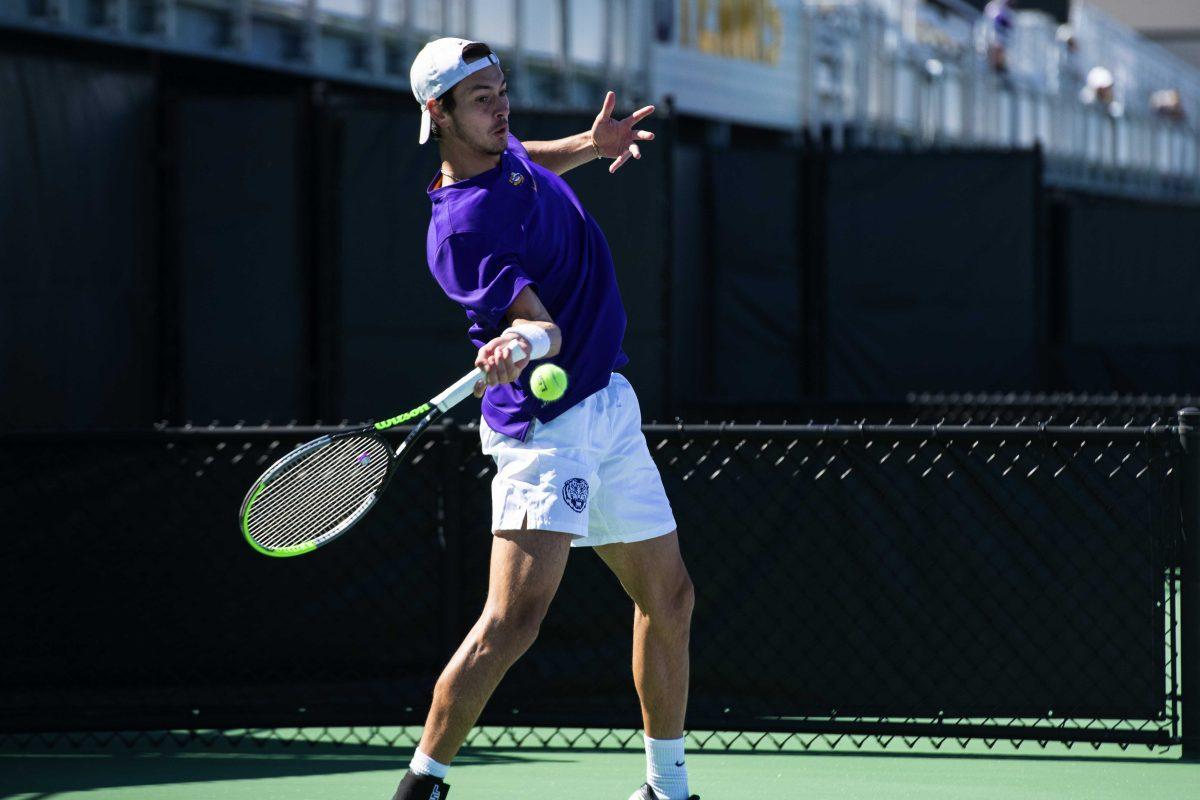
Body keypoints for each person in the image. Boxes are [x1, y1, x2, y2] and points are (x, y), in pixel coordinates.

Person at [390, 38, 698, 800]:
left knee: (671, 599)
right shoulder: (462, 228)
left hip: (607, 405)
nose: (503, 109)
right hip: (547, 428)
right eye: (482, 100)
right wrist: (519, 341)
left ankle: (667, 788)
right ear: (440, 116)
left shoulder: (506, 154)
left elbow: (534, 161)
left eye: (502, 91)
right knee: (513, 622)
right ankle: (421, 785)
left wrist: (591, 146)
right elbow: (546, 332)